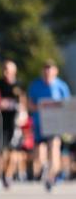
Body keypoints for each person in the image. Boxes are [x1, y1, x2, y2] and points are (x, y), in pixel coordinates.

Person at [27, 60, 71, 191]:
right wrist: (40, 107)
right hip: (40, 124)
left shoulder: (61, 86)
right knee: (40, 152)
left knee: (54, 147)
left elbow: (67, 105)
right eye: (45, 71)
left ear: (55, 72)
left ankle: (51, 176)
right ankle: (44, 168)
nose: (47, 74)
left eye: (50, 71)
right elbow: (29, 104)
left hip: (55, 124)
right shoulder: (35, 85)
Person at [0, 59, 24, 188]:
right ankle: (1, 174)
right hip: (0, 122)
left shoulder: (19, 84)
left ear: (14, 71)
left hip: (14, 122)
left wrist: (23, 114)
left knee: (13, 151)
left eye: (9, 69)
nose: (6, 72)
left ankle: (8, 175)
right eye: (4, 69)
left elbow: (23, 101)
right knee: (2, 151)